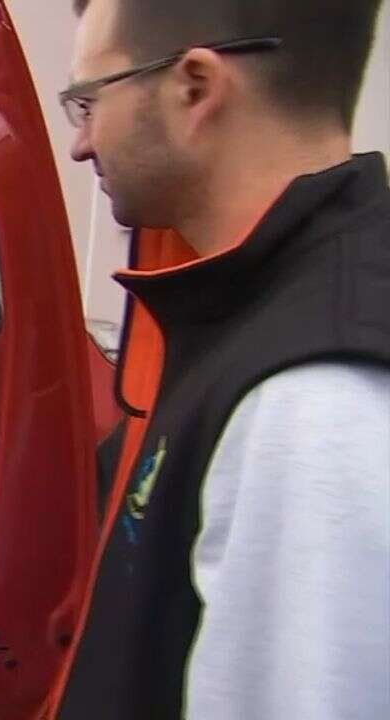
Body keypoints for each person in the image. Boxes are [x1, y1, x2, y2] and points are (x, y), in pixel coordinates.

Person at [55, 1, 390, 718]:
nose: (81, 144)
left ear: (195, 88)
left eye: (89, 101)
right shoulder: (260, 302)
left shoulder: (313, 404)